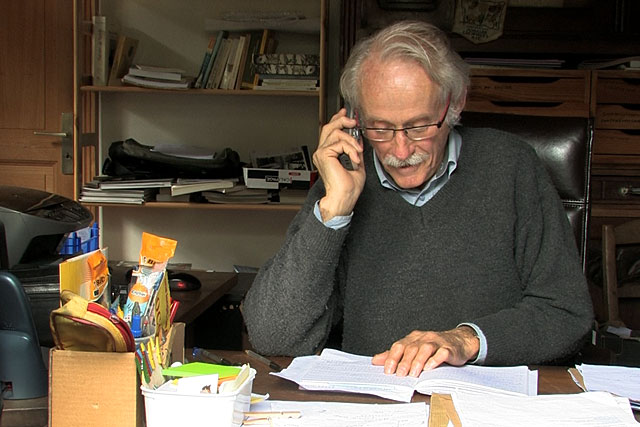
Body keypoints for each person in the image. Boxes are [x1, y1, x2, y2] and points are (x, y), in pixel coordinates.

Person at [242, 20, 593, 377]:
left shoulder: (512, 166)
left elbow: (566, 313)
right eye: (379, 128)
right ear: (355, 118)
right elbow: (273, 336)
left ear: (455, 103)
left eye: (419, 126)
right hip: (372, 402)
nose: (400, 149)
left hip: (486, 401)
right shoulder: (343, 178)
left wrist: (465, 340)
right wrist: (333, 211)